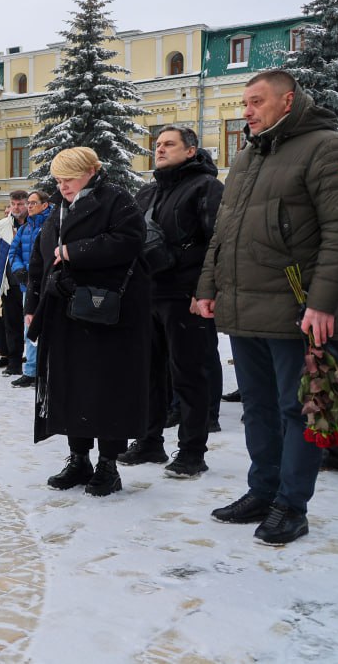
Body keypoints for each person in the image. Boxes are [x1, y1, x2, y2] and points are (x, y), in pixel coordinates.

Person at [195, 71, 338, 544]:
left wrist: (323, 303)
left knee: (295, 408)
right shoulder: (246, 157)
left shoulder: (328, 146)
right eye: (244, 103)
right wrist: (207, 286)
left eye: (256, 101)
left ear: (288, 101)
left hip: (296, 307)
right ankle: (262, 490)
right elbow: (223, 234)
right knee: (258, 407)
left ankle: (291, 504)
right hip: (244, 307)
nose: (247, 111)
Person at [25, 147, 150, 498]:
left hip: (108, 313)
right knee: (71, 386)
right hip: (65, 312)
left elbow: (129, 241)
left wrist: (73, 251)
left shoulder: (116, 199)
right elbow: (40, 258)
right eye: (59, 180)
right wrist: (33, 303)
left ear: (92, 170)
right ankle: (78, 458)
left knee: (108, 388)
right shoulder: (59, 211)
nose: (63, 186)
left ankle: (108, 465)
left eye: (70, 178)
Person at [120, 126, 225, 478]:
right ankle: (150, 441)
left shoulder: (207, 187)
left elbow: (217, 243)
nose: (159, 149)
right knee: (149, 373)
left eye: (169, 144)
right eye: (157, 144)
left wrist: (205, 289)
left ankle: (193, 450)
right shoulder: (147, 192)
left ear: (191, 151)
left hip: (185, 295)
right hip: (148, 294)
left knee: (188, 374)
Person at [8, 189, 54, 388]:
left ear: (45, 205)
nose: (29, 206)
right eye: (29, 203)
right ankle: (32, 371)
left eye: (33, 203)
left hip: (49, 284)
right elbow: (13, 251)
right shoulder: (25, 228)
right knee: (30, 327)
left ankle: (47, 371)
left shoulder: (52, 225)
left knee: (49, 328)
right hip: (29, 285)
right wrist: (18, 270)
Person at [0, 191, 29, 376]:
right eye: (13, 204)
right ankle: (14, 361)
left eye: (20, 204)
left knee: (31, 323)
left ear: (27, 204)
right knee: (11, 324)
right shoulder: (3, 225)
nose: (16, 207)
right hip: (9, 282)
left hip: (29, 281)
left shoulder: (34, 223)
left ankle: (33, 362)